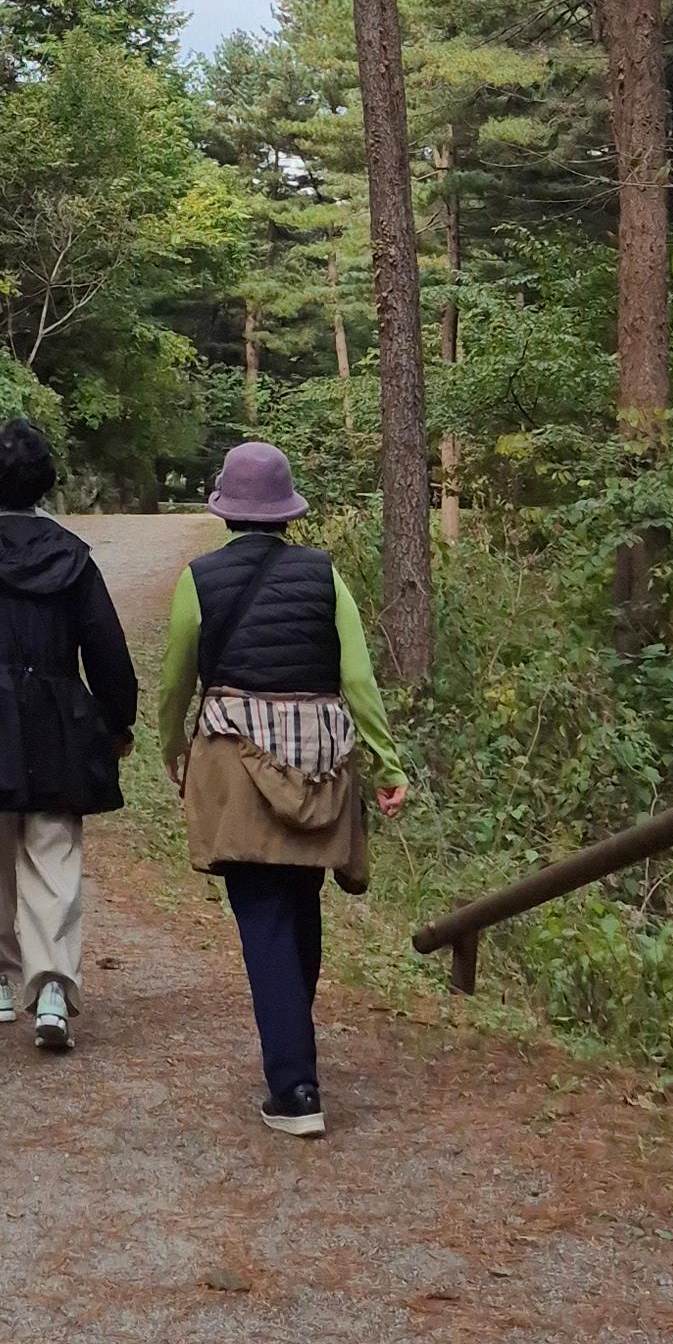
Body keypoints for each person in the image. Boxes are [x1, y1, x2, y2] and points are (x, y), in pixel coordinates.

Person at [157, 439, 406, 1141]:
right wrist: (387, 764)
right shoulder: (325, 575)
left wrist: (172, 745)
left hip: (236, 767)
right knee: (299, 904)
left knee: (263, 916)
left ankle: (295, 1087)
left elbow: (177, 677)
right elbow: (356, 678)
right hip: (318, 768)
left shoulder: (199, 579)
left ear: (227, 511)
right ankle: (293, 1043)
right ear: (288, 512)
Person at [0, 418, 137, 1048]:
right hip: (59, 716)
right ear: (46, 480)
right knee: (54, 849)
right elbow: (106, 646)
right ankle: (53, 990)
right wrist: (117, 719)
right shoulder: (73, 556)